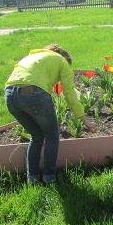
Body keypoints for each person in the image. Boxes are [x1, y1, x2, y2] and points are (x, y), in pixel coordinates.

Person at [5, 44, 97, 184]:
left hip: (10, 95)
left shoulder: (32, 57)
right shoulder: (62, 61)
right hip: (35, 93)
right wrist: (85, 121)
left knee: (36, 136)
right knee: (52, 135)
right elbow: (69, 94)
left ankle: (32, 179)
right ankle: (49, 178)